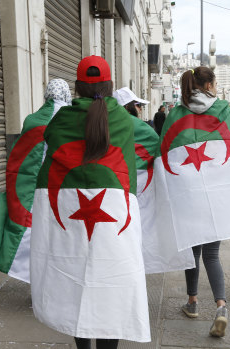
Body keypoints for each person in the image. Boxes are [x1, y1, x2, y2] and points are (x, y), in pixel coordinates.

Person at [30, 56, 150, 349]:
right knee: (113, 283)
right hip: (115, 215)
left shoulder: (61, 120)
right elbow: (152, 145)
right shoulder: (123, 120)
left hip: (69, 214)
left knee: (73, 282)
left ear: (78, 87)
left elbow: (48, 156)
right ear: (110, 86)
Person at [153, 67, 230, 337]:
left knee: (193, 252)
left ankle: (192, 302)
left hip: (188, 196)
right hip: (216, 196)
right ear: (211, 84)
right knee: (212, 254)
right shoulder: (223, 111)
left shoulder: (176, 114)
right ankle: (221, 306)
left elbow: (162, 153)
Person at [0, 78, 71, 283]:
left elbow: (20, 161)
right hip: (65, 190)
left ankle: (39, 284)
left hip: (36, 192)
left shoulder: (33, 120)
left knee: (39, 237)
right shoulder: (73, 120)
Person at [112, 87, 195, 274]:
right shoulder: (141, 127)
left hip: (114, 188)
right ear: (129, 107)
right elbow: (160, 152)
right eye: (137, 105)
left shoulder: (106, 125)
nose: (140, 109)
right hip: (141, 191)